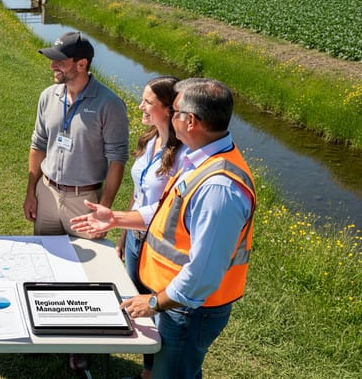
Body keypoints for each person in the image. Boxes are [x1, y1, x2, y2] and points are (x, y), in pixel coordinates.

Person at [71, 78, 256, 379]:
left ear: (191, 121)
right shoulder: (200, 159)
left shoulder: (219, 188)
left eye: (176, 111)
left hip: (187, 309)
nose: (171, 115)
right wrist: (116, 218)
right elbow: (165, 211)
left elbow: (204, 273)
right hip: (175, 300)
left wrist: (155, 302)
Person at [23, 31, 129, 239]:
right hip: (47, 195)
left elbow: (117, 159)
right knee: (47, 259)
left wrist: (104, 206)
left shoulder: (110, 104)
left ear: (82, 64)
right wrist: (30, 193)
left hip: (85, 202)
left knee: (86, 267)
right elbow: (38, 144)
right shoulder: (47, 96)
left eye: (60, 60)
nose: (53, 65)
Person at [118, 76, 186, 379]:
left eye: (148, 101)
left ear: (169, 110)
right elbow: (138, 194)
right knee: (139, 302)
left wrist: (113, 218)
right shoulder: (148, 140)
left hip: (159, 245)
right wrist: (122, 236)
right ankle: (148, 369)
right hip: (135, 238)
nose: (141, 106)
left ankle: (162, 371)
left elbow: (164, 207)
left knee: (159, 308)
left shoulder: (183, 154)